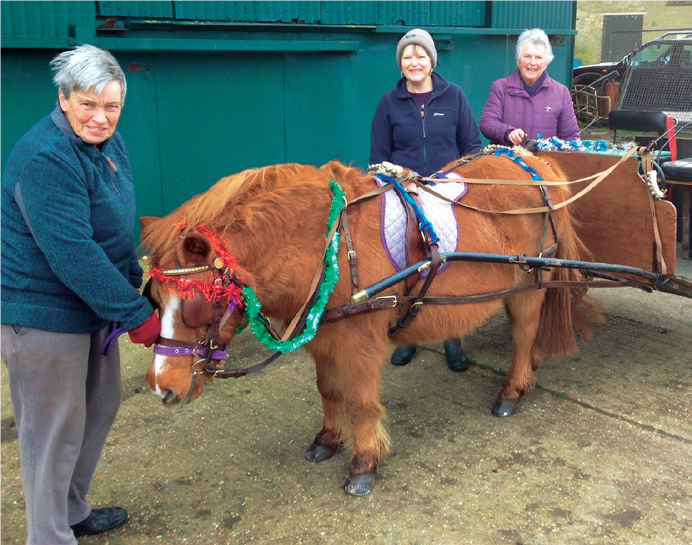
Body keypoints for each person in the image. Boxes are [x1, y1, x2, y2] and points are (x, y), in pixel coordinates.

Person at [0, 45, 160, 545]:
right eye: (88, 104)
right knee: (52, 430)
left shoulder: (109, 146)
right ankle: (48, 536)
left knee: (100, 402)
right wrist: (135, 313)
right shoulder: (45, 156)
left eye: (111, 106)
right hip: (42, 314)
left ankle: (70, 510)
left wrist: (137, 282)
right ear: (64, 99)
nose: (100, 116)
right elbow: (72, 251)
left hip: (91, 307)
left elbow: (113, 228)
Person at [370, 28, 482, 372]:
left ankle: (452, 335)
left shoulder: (455, 96)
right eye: (407, 56)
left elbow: (473, 148)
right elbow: (378, 156)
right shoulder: (389, 103)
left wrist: (450, 177)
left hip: (445, 193)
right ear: (401, 64)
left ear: (431, 61)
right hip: (405, 195)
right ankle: (412, 336)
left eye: (420, 55)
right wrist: (396, 177)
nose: (414, 62)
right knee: (408, 263)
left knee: (449, 263)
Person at [479, 28, 580, 146]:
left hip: (544, 163)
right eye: (527, 56)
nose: (532, 63)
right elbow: (487, 123)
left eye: (538, 57)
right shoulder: (500, 87)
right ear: (518, 61)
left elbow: (571, 137)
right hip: (506, 160)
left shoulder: (561, 93)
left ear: (546, 63)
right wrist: (508, 132)